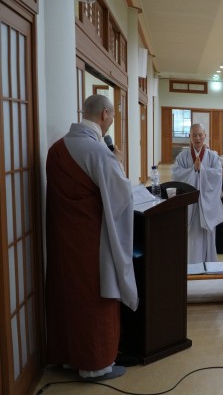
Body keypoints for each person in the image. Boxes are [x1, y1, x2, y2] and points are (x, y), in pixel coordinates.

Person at [45, 94, 138, 381]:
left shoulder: (56, 148)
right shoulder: (98, 152)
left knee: (67, 294)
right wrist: (118, 163)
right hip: (92, 240)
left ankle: (68, 358)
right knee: (95, 297)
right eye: (112, 116)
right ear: (105, 114)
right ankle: (95, 364)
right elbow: (122, 197)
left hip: (62, 238)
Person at [172, 123, 223, 263]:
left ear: (205, 136)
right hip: (190, 204)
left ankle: (208, 263)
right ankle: (192, 265)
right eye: (194, 135)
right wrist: (193, 170)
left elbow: (217, 175)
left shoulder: (213, 156)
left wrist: (201, 169)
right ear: (189, 136)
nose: (197, 138)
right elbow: (176, 174)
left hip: (207, 203)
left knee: (208, 233)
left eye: (200, 135)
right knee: (192, 235)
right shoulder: (182, 157)